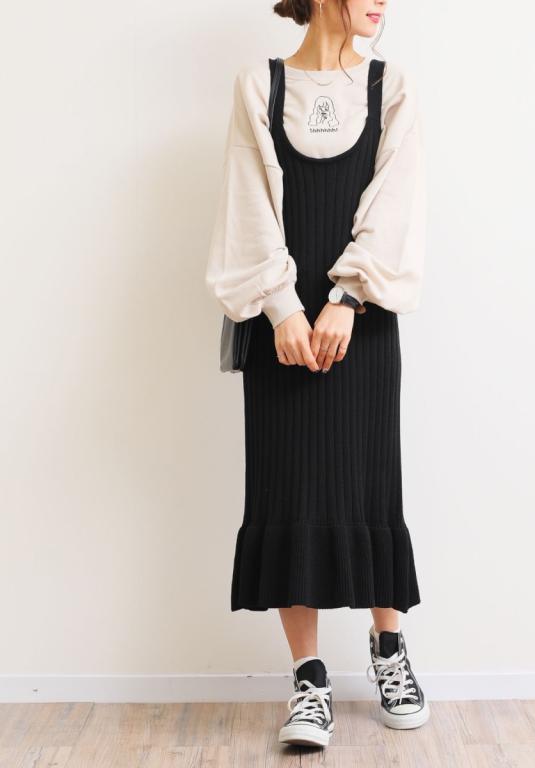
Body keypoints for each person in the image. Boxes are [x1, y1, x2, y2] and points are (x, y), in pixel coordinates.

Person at [206, 0, 429, 747]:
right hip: (280, 331)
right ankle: (308, 679)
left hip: (361, 324)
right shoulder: (259, 85)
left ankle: (389, 650)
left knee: (371, 484)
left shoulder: (391, 86)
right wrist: (281, 310)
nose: (384, 3)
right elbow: (246, 205)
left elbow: (397, 204)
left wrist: (345, 299)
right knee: (287, 490)